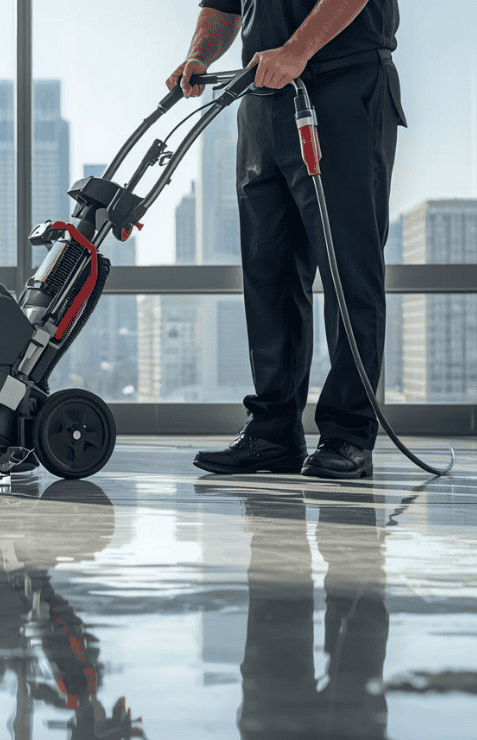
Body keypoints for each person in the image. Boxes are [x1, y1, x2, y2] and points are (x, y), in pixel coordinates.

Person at [172, 0, 407, 479]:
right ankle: (272, 432)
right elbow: (222, 6)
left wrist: (297, 50)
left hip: (345, 86)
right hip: (262, 98)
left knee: (348, 272)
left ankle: (347, 435)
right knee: (269, 273)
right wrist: (200, 56)